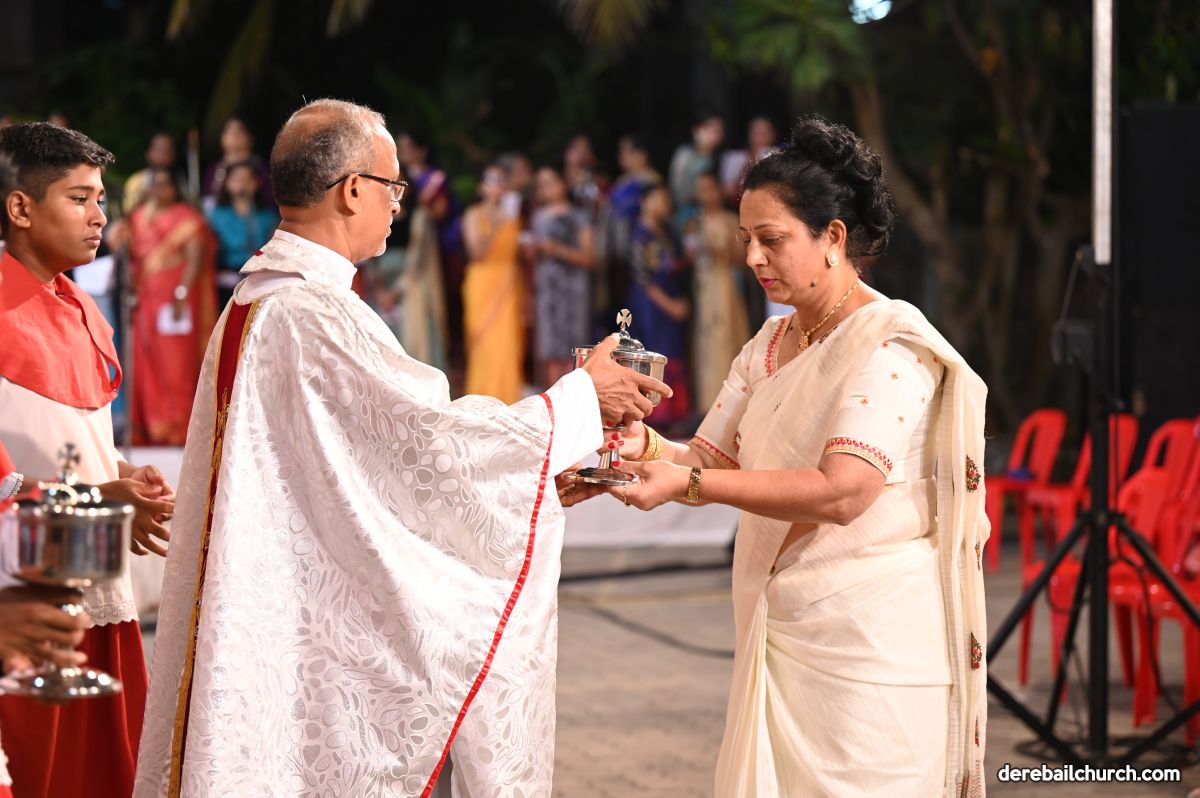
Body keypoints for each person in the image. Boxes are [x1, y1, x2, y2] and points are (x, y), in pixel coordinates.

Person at [134, 99, 670, 798]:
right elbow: (431, 446)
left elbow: (379, 463)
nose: (398, 204)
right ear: (352, 189)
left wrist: (533, 478)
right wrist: (578, 400)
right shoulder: (309, 314)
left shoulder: (262, 301)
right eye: (392, 186)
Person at [569, 116, 989, 797]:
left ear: (833, 238)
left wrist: (686, 483)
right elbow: (707, 457)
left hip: (865, 645)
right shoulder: (768, 344)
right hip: (781, 627)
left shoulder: (889, 345)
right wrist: (638, 445)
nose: (754, 259)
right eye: (747, 241)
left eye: (772, 240)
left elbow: (843, 492)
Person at [0, 122, 176, 798]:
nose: (100, 216)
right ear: (20, 208)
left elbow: (76, 431)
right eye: (78, 199)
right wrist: (102, 499)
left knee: (105, 770)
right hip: (24, 595)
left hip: (99, 585)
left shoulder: (82, 306)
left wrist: (122, 475)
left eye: (101, 199)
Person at [117, 168, 217, 446]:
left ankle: (178, 426)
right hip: (145, 299)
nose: (159, 190)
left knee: (176, 363)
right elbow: (130, 256)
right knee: (145, 360)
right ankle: (150, 426)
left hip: (175, 301)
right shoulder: (137, 217)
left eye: (165, 185)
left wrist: (182, 292)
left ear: (175, 189)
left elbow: (195, 257)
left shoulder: (186, 217)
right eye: (155, 184)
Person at [397, 130, 465, 372]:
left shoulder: (434, 179)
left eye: (408, 147)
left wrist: (420, 200)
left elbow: (442, 213)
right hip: (402, 253)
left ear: (422, 150)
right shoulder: (398, 176)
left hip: (433, 252)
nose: (403, 153)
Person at [628, 183, 691, 428]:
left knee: (672, 352)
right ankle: (654, 414)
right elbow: (643, 279)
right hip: (652, 305)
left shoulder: (666, 232)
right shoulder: (639, 235)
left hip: (670, 298)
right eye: (658, 199)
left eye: (666, 200)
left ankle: (675, 413)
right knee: (655, 353)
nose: (664, 205)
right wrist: (670, 305)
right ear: (645, 201)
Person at [686, 171, 750, 411]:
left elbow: (741, 259)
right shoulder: (694, 222)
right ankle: (707, 405)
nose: (705, 194)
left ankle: (731, 403)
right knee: (704, 343)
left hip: (724, 285)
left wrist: (717, 252)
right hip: (703, 287)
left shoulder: (730, 220)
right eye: (701, 189)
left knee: (726, 337)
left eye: (709, 188)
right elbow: (689, 256)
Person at [462, 163, 524, 403]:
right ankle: (481, 400)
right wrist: (496, 224)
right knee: (484, 344)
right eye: (492, 180)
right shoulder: (473, 215)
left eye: (501, 181)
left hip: (509, 285)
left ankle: (507, 400)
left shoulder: (514, 215)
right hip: (482, 283)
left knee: (507, 344)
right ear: (482, 187)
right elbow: (476, 253)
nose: (498, 186)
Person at [530, 166, 595, 386]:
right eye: (541, 185)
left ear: (563, 183)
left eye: (550, 183)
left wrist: (557, 250)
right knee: (549, 348)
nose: (546, 189)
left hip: (573, 290)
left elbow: (589, 257)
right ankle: (552, 397)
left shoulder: (580, 216)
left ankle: (571, 396)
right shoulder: (538, 217)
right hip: (547, 289)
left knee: (573, 347)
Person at [594, 134, 659, 337]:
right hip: (616, 257)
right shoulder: (622, 182)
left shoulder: (650, 182)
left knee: (634, 312)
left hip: (637, 256)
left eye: (627, 152)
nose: (621, 157)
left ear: (642, 155)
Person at [205, 160, 279, 308]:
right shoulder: (215, 216)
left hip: (259, 280)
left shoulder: (268, 216)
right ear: (227, 184)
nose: (243, 184)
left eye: (247, 179)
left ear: (256, 183)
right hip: (225, 280)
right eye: (237, 179)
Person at [201, 117, 272, 211]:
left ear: (251, 138)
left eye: (240, 131)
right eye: (229, 132)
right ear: (222, 139)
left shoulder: (262, 167)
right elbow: (209, 202)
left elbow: (270, 199)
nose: (234, 135)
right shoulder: (213, 170)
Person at [667, 113, 725, 221]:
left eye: (719, 130)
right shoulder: (684, 154)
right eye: (711, 129)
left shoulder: (722, 159)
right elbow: (676, 187)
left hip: (714, 212)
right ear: (696, 130)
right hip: (685, 210)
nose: (716, 134)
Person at [719, 116, 778, 203]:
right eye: (756, 131)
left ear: (773, 134)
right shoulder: (734, 157)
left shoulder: (778, 155)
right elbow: (727, 191)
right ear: (749, 133)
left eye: (765, 131)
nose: (761, 134)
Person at [122, 131, 179, 215]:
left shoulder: (181, 182)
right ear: (148, 153)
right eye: (159, 150)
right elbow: (128, 213)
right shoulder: (136, 182)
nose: (162, 155)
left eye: (167, 151)